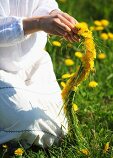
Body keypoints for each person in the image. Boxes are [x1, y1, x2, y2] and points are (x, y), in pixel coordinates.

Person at [0, 0, 79, 149]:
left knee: (59, 130)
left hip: (33, 63)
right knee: (27, 121)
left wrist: (55, 15)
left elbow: (43, 2)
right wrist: (39, 23)